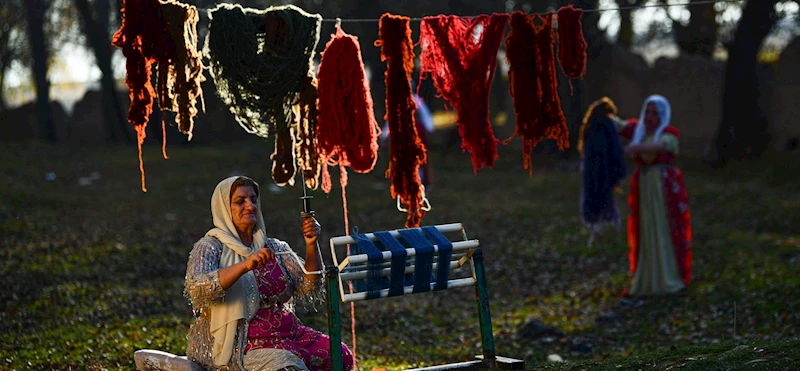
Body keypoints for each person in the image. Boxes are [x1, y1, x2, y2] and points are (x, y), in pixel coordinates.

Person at [184, 176, 355, 371]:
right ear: (224, 208)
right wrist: (245, 265)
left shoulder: (273, 246)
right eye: (240, 201)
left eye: (253, 199)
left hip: (289, 334)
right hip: (242, 343)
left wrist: (310, 244)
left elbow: (309, 284)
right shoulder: (210, 247)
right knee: (287, 367)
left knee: (340, 355)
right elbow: (198, 288)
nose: (250, 206)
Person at [612, 95, 692, 296]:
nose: (649, 117)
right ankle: (647, 276)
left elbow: (661, 146)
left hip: (663, 189)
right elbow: (617, 124)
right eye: (647, 112)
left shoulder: (668, 134)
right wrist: (600, 112)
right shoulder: (638, 130)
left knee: (664, 227)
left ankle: (668, 276)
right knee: (645, 227)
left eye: (655, 114)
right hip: (644, 187)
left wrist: (634, 148)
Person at [578, 97, 627, 235]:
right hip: (605, 171)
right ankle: (606, 227)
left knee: (592, 195)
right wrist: (619, 171)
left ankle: (597, 225)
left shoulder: (590, 126)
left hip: (591, 171)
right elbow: (615, 149)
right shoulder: (607, 125)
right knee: (605, 198)